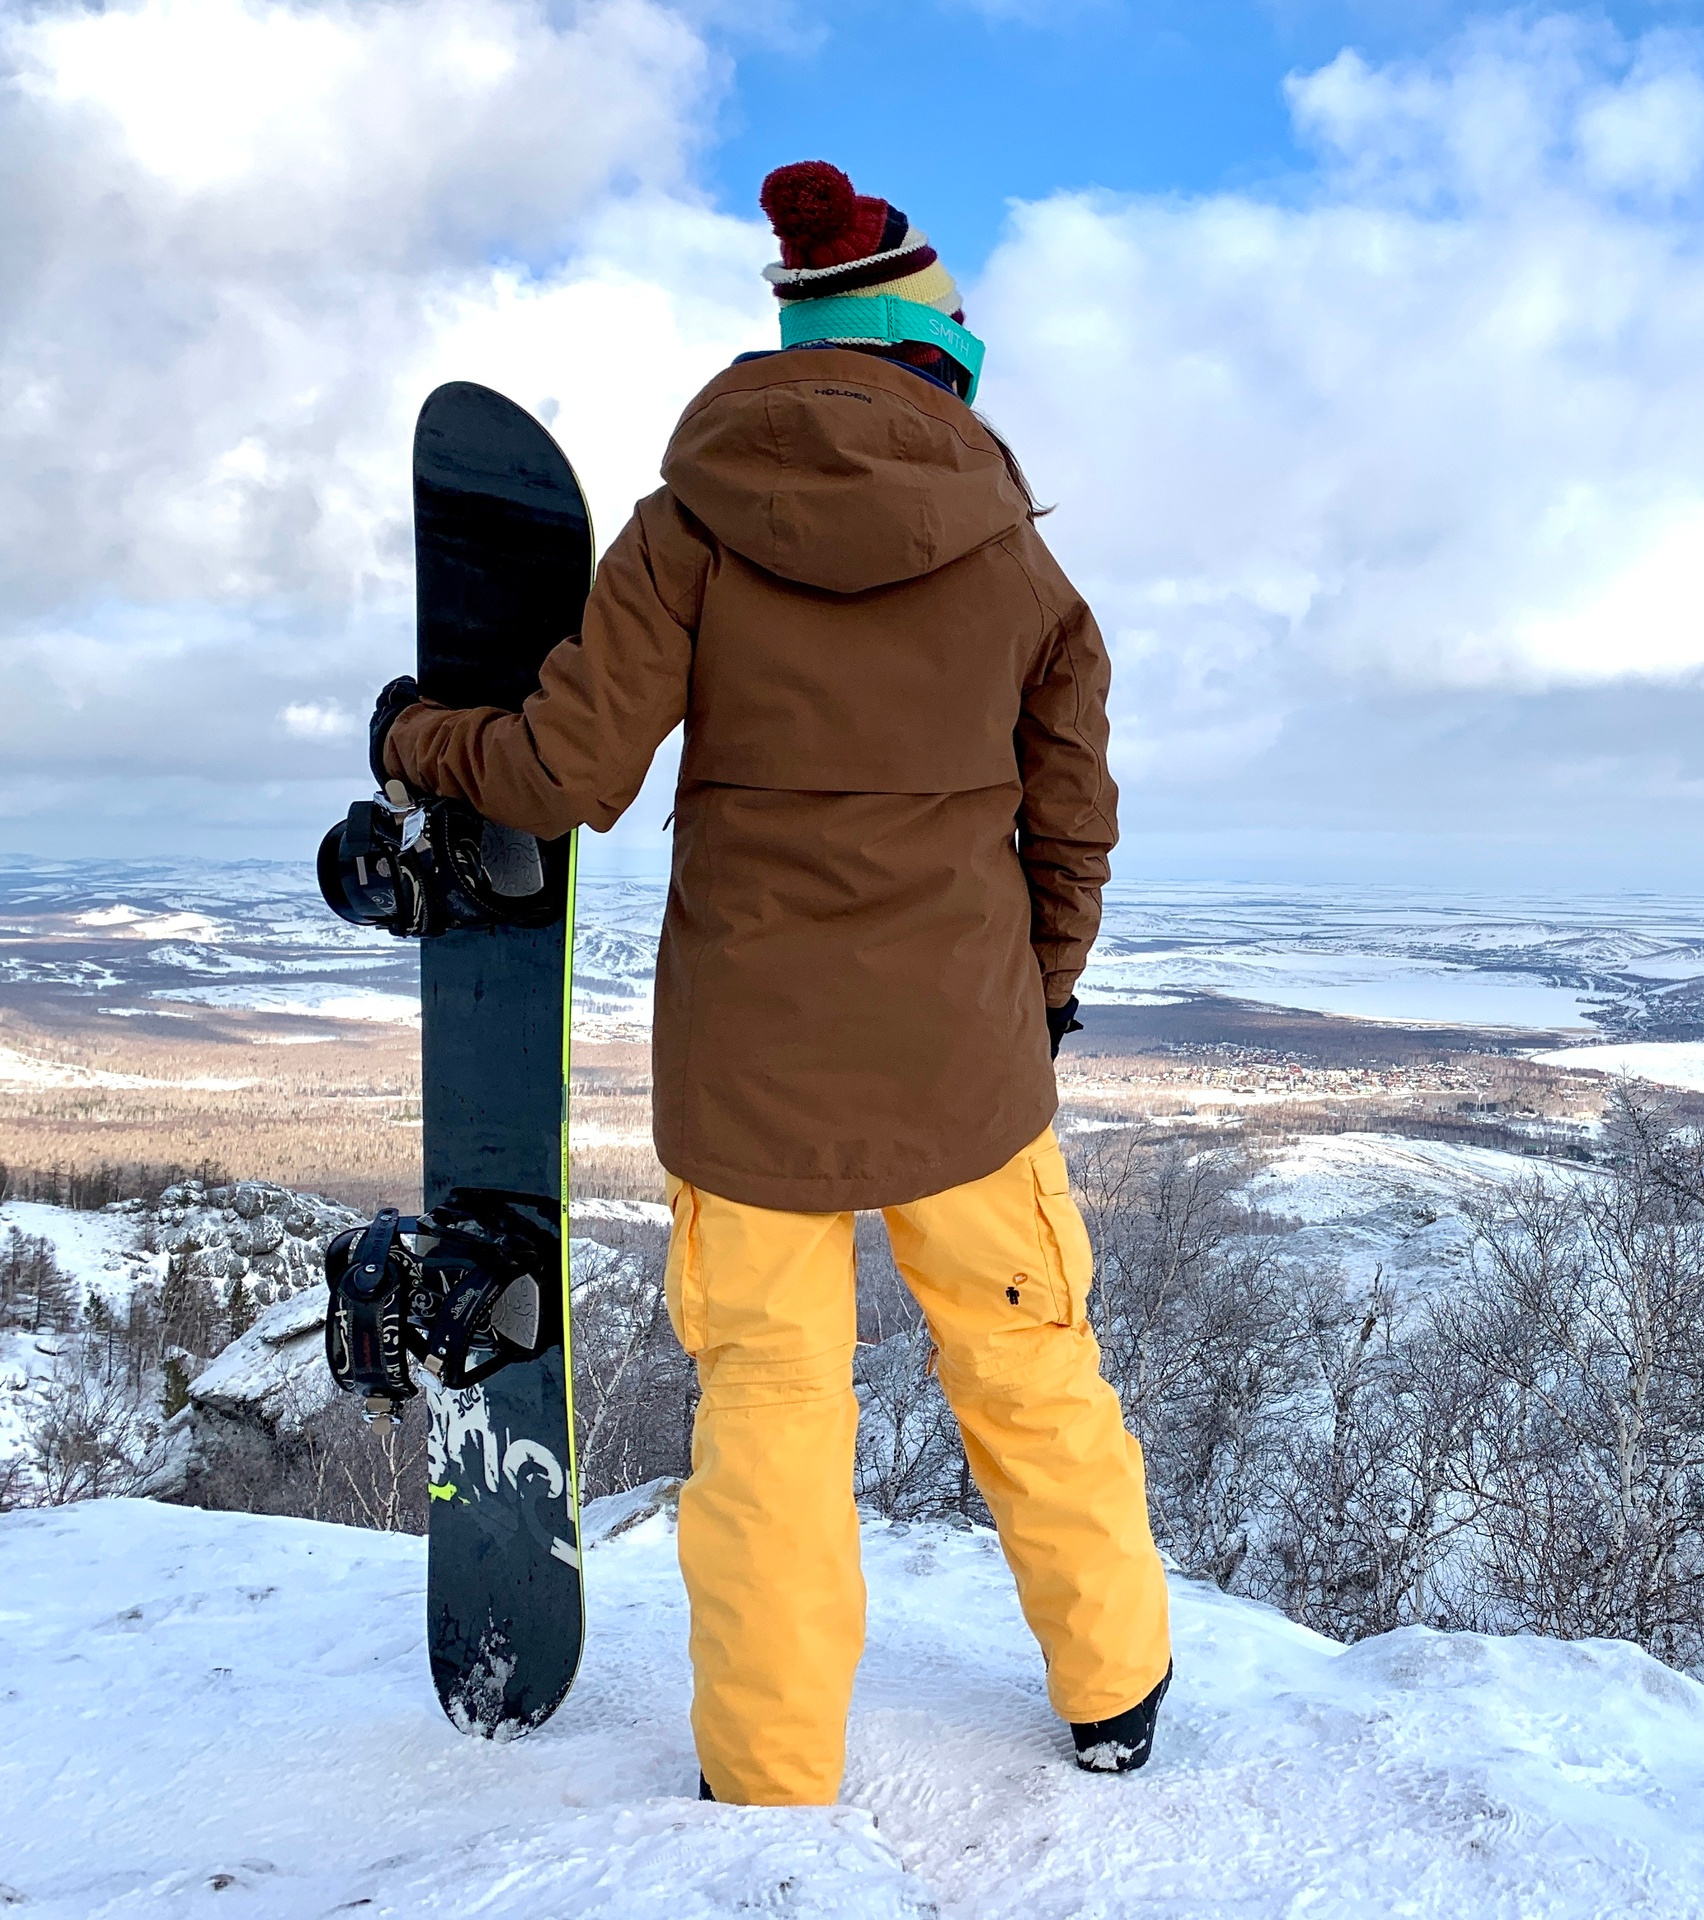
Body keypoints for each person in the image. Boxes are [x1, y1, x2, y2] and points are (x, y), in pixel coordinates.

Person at [369, 160, 1172, 1806]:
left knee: (773, 1419)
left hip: (748, 1079)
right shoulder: (1018, 566)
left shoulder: (691, 533)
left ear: (799, 340)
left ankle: (772, 1772)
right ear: (934, 353)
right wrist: (1045, 985)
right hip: (969, 1065)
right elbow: (1074, 809)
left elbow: (564, 768)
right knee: (1031, 1370)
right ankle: (1114, 1690)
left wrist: (416, 741)